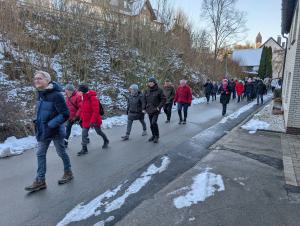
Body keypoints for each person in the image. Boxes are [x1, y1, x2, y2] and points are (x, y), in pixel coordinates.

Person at [25, 71, 73, 192]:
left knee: (61, 152)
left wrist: (51, 124)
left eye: (39, 78)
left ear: (47, 80)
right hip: (43, 130)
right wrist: (37, 120)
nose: (36, 80)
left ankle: (68, 172)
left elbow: (65, 114)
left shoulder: (57, 95)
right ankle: (40, 180)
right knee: (40, 154)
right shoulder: (40, 93)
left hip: (55, 130)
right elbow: (42, 110)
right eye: (35, 78)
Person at [77, 84, 109, 156]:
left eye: (79, 91)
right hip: (86, 119)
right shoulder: (83, 98)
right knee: (84, 133)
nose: (78, 92)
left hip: (94, 119)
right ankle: (84, 149)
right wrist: (81, 118)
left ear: (83, 91)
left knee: (98, 132)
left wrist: (92, 121)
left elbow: (96, 111)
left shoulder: (93, 98)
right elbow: (83, 109)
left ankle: (106, 140)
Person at [143, 77, 166, 143]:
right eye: (149, 82)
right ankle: (153, 135)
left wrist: (159, 107)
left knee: (154, 122)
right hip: (149, 110)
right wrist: (144, 108)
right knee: (151, 124)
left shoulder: (159, 90)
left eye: (151, 82)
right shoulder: (146, 91)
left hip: (156, 109)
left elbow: (163, 99)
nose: (150, 83)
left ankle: (157, 136)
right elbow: (144, 100)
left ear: (154, 83)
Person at [64, 84, 82, 148]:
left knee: (83, 127)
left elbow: (81, 107)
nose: (65, 91)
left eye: (66, 90)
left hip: (78, 116)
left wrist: (77, 116)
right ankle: (65, 142)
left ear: (70, 91)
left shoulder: (78, 96)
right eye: (65, 90)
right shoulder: (66, 97)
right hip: (70, 117)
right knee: (68, 129)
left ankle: (86, 138)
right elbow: (67, 107)